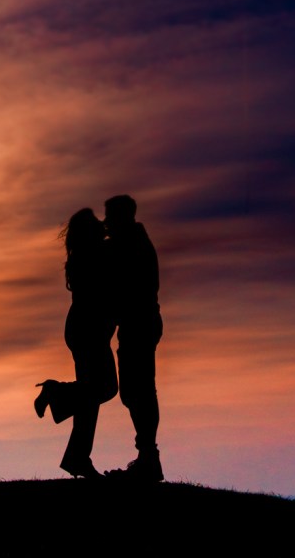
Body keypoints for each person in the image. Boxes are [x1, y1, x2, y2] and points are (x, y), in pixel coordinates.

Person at [34, 208, 118, 479]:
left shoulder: (84, 256)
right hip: (88, 331)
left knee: (90, 396)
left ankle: (78, 458)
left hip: (84, 330)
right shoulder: (94, 255)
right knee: (105, 388)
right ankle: (54, 392)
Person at [104, 194, 164, 481]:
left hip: (139, 324)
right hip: (138, 324)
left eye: (110, 217)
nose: (106, 224)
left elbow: (126, 287)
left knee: (138, 390)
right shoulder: (129, 243)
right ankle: (147, 456)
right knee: (135, 391)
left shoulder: (131, 245)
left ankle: (149, 458)